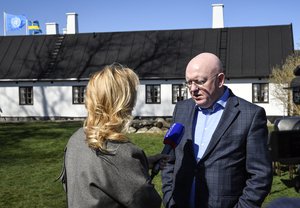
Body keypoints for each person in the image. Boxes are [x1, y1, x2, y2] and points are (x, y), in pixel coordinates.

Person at [161, 52, 273, 208]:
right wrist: (169, 198)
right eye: (188, 83)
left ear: (220, 80)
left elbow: (260, 176)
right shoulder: (181, 109)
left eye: (200, 82)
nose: (193, 89)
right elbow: (168, 160)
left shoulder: (250, 115)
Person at [59, 63, 165, 208]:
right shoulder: (120, 152)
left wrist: (146, 162)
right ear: (123, 103)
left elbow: (100, 170)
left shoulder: (76, 139)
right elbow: (148, 203)